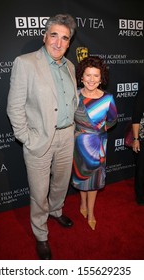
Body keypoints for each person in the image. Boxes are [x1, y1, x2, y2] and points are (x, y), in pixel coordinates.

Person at [7, 14, 78, 260]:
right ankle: (41, 234)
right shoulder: (25, 63)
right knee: (39, 192)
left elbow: (70, 103)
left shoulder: (69, 66)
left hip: (67, 137)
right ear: (45, 36)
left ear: (69, 43)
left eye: (65, 38)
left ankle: (57, 210)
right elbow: (14, 106)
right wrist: (26, 137)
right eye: (54, 35)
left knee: (60, 183)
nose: (59, 43)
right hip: (39, 140)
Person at [71, 56, 117, 230]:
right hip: (78, 143)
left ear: (101, 78)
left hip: (97, 145)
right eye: (87, 75)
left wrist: (97, 130)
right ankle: (82, 204)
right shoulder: (74, 95)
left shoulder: (107, 98)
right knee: (81, 178)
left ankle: (91, 212)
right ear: (81, 77)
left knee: (94, 182)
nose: (91, 79)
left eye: (95, 76)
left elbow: (113, 120)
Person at [132, 87, 144, 205]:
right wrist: (136, 139)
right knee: (141, 170)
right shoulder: (143, 92)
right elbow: (136, 117)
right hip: (143, 137)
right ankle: (140, 197)